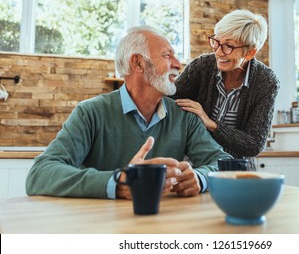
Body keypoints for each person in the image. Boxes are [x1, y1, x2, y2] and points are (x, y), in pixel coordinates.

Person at [26, 25, 232, 200]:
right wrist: (118, 182)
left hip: (165, 226)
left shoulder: (185, 116)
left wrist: (200, 178)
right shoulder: (90, 113)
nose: (178, 65)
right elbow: (39, 174)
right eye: (167, 55)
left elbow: (226, 165)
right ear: (138, 63)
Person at [173, 10, 279, 167]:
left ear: (250, 53)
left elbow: (254, 144)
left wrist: (211, 124)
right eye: (216, 41)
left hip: (236, 171)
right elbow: (169, 102)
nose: (218, 51)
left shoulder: (266, 81)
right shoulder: (202, 66)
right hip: (196, 167)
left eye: (229, 46)